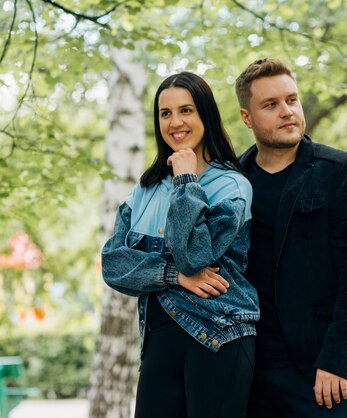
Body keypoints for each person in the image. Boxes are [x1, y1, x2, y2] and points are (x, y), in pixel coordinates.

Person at [101, 71, 259, 418]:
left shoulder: (232, 186)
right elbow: (113, 265)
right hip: (158, 344)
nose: (175, 122)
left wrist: (186, 179)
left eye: (186, 110)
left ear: (205, 115)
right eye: (165, 113)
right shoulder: (143, 190)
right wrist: (174, 276)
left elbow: (194, 256)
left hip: (220, 335)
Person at [235, 58, 347, 417]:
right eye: (270, 104)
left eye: (291, 99)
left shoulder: (342, 173)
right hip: (244, 372)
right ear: (247, 117)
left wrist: (338, 358)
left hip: (317, 373)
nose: (287, 111)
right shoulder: (231, 182)